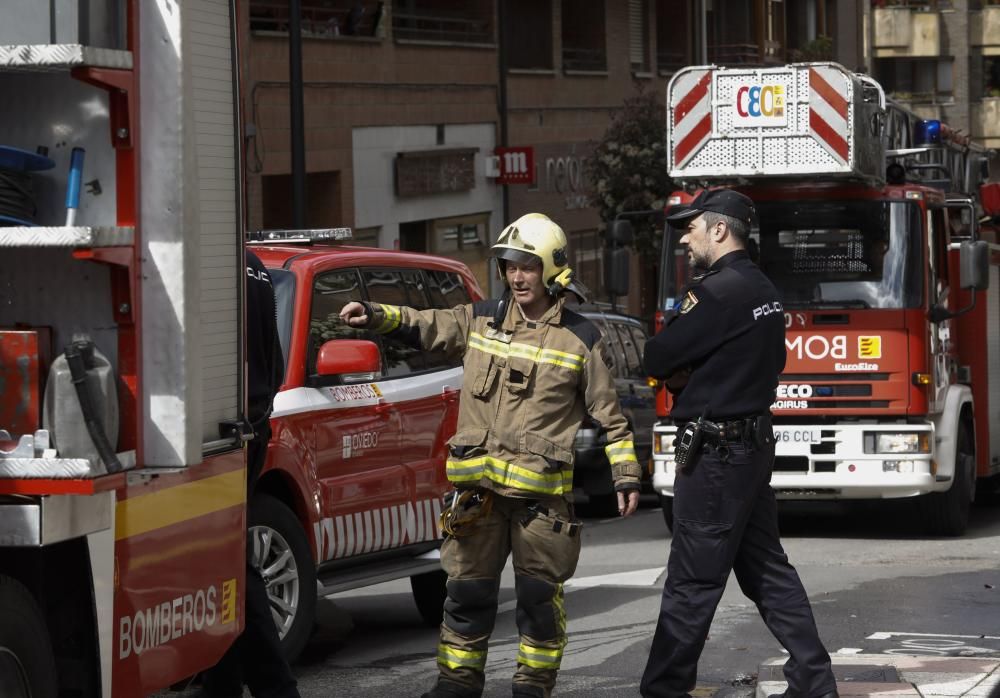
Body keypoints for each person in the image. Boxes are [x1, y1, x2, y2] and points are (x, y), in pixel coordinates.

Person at [339, 213, 642, 698]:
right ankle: (456, 686)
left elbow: (611, 416)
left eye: (528, 266)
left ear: (552, 270)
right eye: (509, 266)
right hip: (477, 497)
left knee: (539, 604)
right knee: (466, 596)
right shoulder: (480, 319)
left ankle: (532, 688)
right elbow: (425, 323)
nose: (517, 277)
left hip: (539, 504)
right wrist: (375, 315)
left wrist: (626, 475)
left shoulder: (581, 338)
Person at [640, 189, 838, 698]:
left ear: (720, 230)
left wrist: (687, 370)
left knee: (691, 582)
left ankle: (663, 690)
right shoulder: (762, 288)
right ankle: (814, 682)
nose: (685, 238)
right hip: (748, 450)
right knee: (767, 571)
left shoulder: (718, 293)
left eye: (692, 227)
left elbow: (657, 356)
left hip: (717, 457)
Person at [202, 250, 300, 698]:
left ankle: (273, 688)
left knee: (230, 565)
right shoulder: (253, 265)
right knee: (224, 566)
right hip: (251, 425)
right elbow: (275, 362)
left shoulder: (206, 263)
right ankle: (223, 682)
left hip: (220, 435)